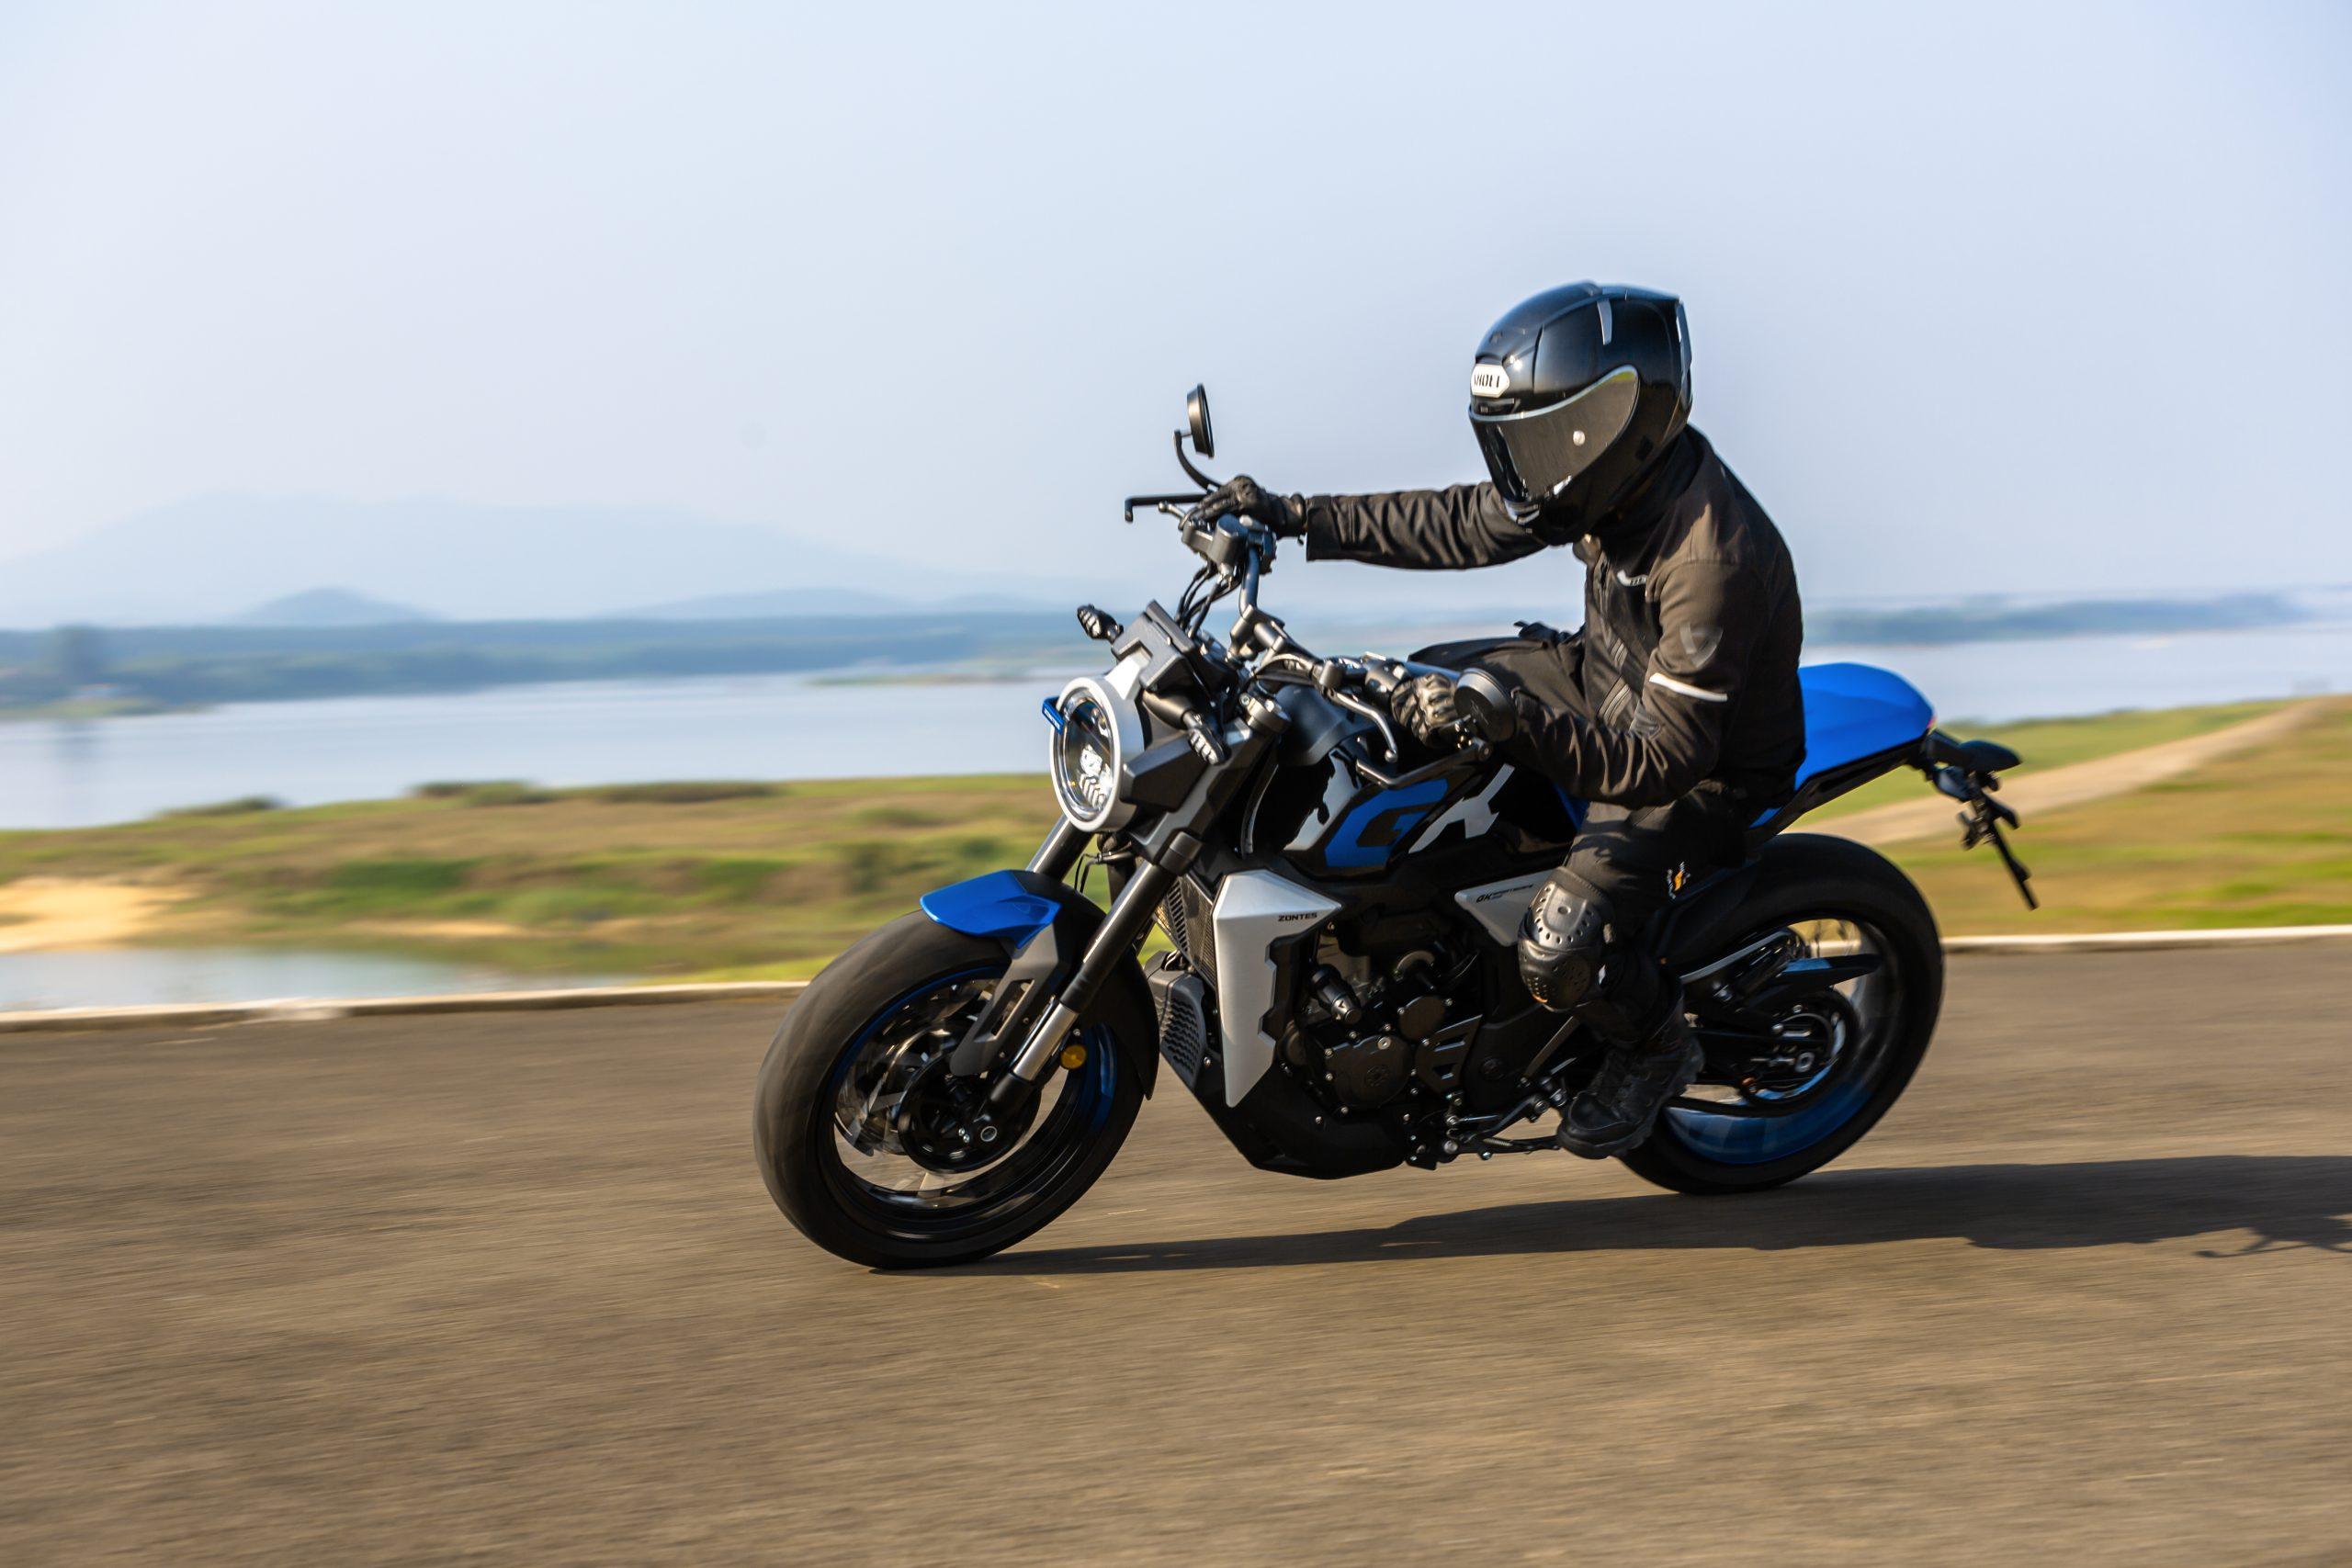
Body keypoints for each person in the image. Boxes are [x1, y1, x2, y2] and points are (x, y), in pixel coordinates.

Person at [1189, 281, 1805, 1158]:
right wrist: (1293, 517)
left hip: (1697, 771)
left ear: (1615, 425)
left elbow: (1665, 759)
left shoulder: (1710, 561)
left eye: (1544, 438)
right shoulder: (1606, 487)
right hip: (1604, 681)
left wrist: (1512, 724)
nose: (1526, 464)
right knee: (1408, 694)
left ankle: (1654, 1041)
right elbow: (1461, 522)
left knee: (1555, 944)